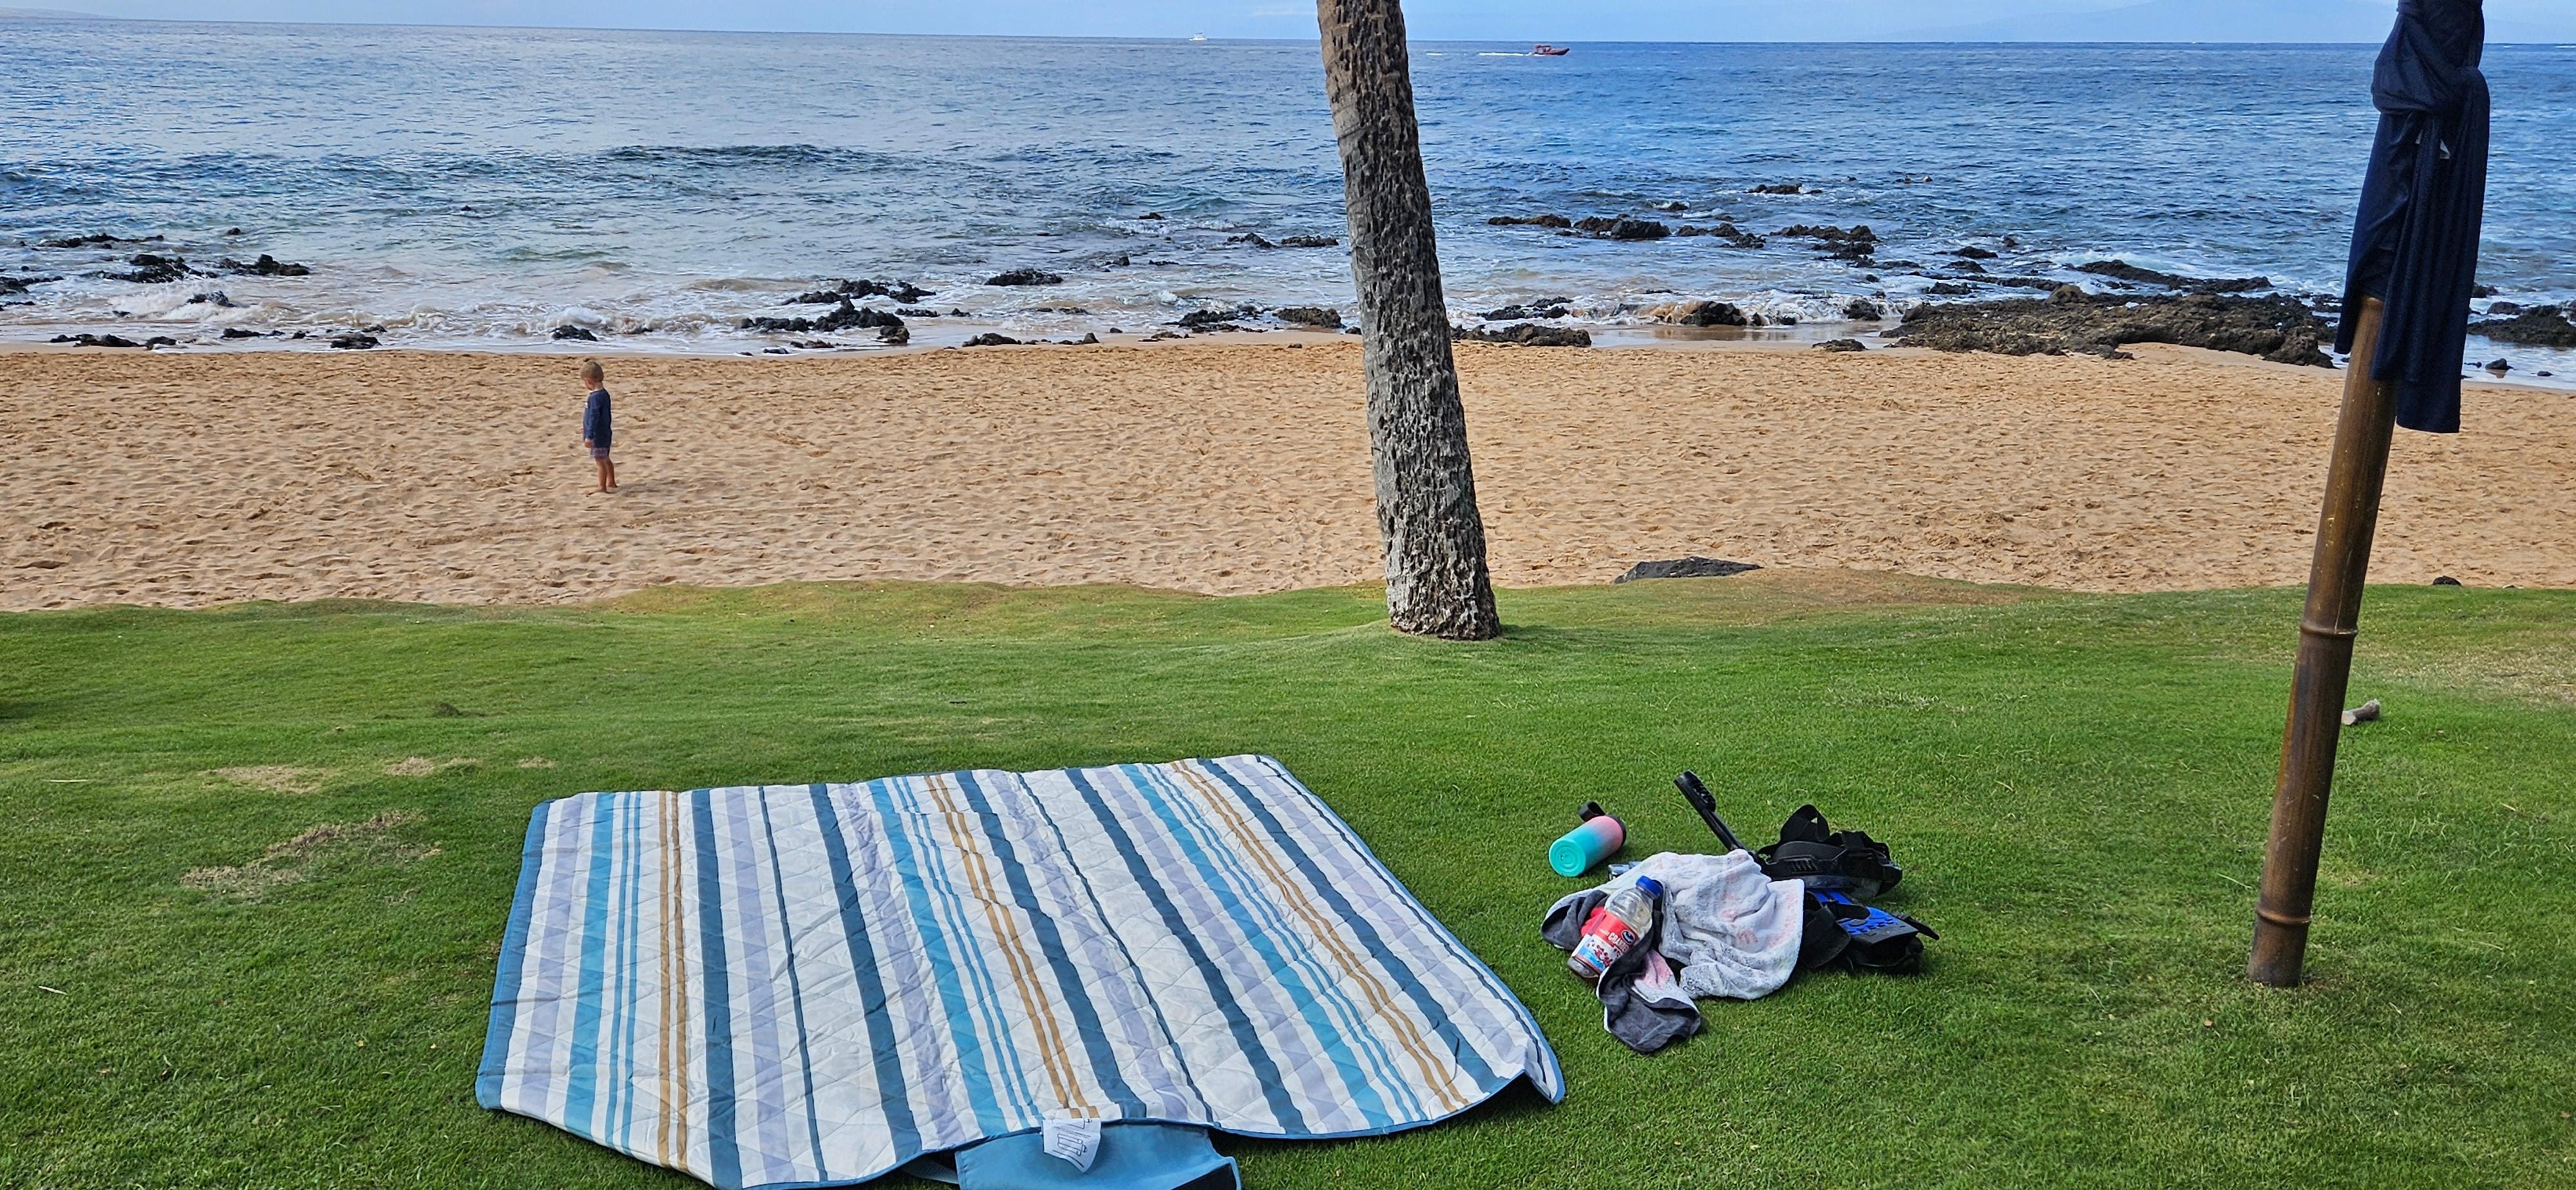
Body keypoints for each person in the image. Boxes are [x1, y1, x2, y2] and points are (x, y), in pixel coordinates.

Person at [579, 359, 616, 494]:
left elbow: (594, 416)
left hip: (598, 436)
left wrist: (589, 436)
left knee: (600, 461)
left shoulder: (594, 398)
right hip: (606, 432)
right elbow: (601, 416)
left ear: (589, 381)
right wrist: (586, 427)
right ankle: (611, 481)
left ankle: (602, 486)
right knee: (606, 458)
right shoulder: (605, 394)